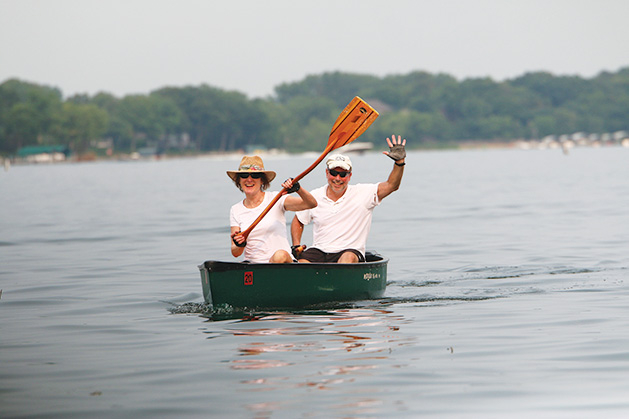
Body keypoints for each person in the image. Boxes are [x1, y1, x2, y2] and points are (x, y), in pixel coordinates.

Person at [291, 134, 406, 263]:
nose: (338, 179)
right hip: (320, 250)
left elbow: (392, 185)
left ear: (350, 176)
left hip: (350, 251)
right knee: (302, 263)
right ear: (327, 173)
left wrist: (399, 163)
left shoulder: (363, 193)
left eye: (343, 174)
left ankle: (338, 281)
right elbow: (298, 220)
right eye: (334, 173)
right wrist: (296, 245)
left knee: (347, 258)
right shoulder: (314, 196)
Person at [228, 155, 317, 263]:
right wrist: (240, 244)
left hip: (282, 263)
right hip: (253, 267)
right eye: (244, 175)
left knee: (280, 255)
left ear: (262, 181)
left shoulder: (276, 199)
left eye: (255, 176)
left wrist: (298, 189)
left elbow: (311, 203)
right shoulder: (235, 209)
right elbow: (235, 252)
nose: (249, 179)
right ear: (239, 180)